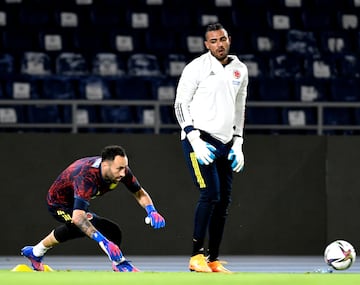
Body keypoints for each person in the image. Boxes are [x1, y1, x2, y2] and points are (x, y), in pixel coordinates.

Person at [174, 23, 248, 273]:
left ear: (230, 39)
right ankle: (196, 257)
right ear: (206, 45)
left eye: (223, 39)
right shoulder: (196, 68)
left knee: (224, 200)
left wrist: (238, 142)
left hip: (227, 142)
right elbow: (180, 105)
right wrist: (193, 137)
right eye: (213, 41)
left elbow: (240, 108)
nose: (219, 44)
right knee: (210, 194)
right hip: (200, 139)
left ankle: (213, 259)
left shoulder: (240, 69)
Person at [21, 145, 165, 272]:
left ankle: (36, 252)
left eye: (125, 167)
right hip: (58, 204)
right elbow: (78, 217)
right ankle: (120, 263)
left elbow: (139, 192)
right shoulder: (86, 177)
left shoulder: (122, 171)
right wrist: (104, 242)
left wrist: (151, 210)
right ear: (106, 165)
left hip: (76, 202)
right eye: (119, 169)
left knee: (111, 230)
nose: (123, 173)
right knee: (83, 225)